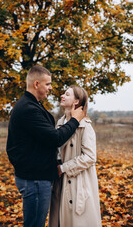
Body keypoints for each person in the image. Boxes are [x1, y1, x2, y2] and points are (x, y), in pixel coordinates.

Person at [6, 65, 85, 227]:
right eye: (48, 84)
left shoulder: (33, 104)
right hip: (34, 180)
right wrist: (75, 120)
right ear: (36, 84)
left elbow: (40, 140)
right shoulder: (28, 108)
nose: (51, 88)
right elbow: (55, 138)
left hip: (35, 176)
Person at [49, 85, 102, 227]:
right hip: (59, 181)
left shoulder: (85, 126)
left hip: (77, 182)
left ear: (76, 101)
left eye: (67, 94)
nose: (62, 96)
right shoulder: (59, 124)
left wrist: (64, 168)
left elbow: (90, 157)